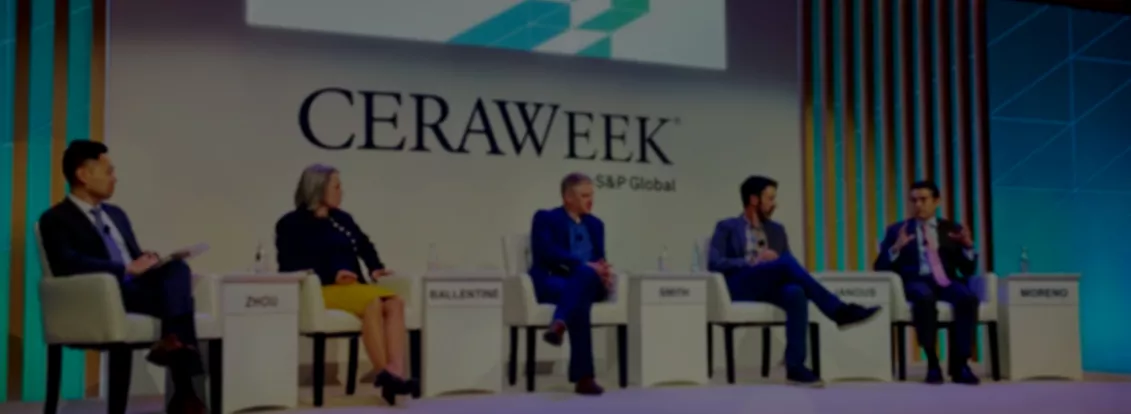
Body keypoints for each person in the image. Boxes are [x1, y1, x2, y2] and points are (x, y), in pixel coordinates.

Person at [37, 140, 206, 414]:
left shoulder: (117, 215)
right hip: (102, 296)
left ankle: (172, 344)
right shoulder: (55, 219)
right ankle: (184, 389)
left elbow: (132, 257)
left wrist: (148, 261)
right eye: (109, 172)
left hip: (137, 290)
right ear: (83, 174)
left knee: (178, 271)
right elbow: (68, 263)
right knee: (181, 304)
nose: (115, 179)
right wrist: (124, 270)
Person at [708, 175, 881, 386]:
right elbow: (714, 262)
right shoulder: (727, 227)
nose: (775, 204)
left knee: (796, 293)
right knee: (786, 262)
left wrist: (775, 263)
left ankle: (795, 366)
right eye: (770, 199)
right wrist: (752, 261)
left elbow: (787, 269)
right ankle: (838, 310)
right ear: (754, 200)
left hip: (769, 286)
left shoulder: (777, 230)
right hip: (740, 285)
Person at [275, 164, 418, 405]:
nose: (342, 192)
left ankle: (393, 372)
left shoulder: (343, 219)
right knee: (373, 302)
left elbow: (364, 245)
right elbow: (289, 264)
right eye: (337, 186)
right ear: (318, 188)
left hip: (354, 287)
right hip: (323, 289)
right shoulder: (290, 223)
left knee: (395, 302)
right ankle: (385, 373)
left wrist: (375, 267)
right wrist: (332, 273)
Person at [874, 180, 980, 385]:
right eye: (914, 200)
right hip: (916, 281)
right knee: (924, 297)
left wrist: (967, 246)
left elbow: (967, 270)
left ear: (936, 201)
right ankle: (932, 362)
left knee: (967, 298)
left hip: (946, 281)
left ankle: (961, 364)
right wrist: (895, 248)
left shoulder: (951, 228)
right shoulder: (897, 230)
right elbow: (879, 268)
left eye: (923, 200)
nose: (918, 205)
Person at [528, 173, 612, 396]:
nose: (590, 200)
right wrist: (584, 265)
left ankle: (559, 323)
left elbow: (600, 258)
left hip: (588, 282)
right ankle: (584, 378)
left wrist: (602, 270)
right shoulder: (546, 218)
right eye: (584, 196)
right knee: (579, 300)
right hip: (555, 279)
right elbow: (546, 251)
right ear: (568, 197)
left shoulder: (596, 224)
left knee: (583, 281)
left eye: (591, 195)